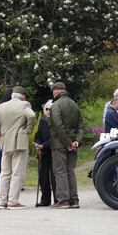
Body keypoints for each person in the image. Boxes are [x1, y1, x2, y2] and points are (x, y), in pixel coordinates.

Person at [0, 86, 36, 210]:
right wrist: (28, 130)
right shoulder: (24, 105)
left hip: (5, 142)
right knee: (17, 173)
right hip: (19, 143)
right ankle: (12, 201)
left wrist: (0, 137)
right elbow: (32, 116)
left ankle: (2, 201)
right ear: (23, 97)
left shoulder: (1, 107)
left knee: (4, 173)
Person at [49, 81, 84, 209]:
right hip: (73, 144)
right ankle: (74, 200)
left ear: (56, 91)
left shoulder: (56, 105)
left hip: (60, 144)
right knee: (70, 171)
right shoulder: (74, 104)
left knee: (60, 171)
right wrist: (76, 141)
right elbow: (81, 126)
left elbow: (58, 126)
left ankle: (63, 200)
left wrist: (67, 143)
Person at [34, 100, 57, 207]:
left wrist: (43, 145)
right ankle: (45, 199)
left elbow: (55, 138)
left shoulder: (57, 121)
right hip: (43, 152)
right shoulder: (42, 120)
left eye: (50, 109)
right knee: (43, 176)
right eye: (46, 109)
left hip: (53, 151)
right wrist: (38, 144)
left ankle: (58, 199)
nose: (48, 111)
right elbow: (38, 134)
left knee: (54, 176)